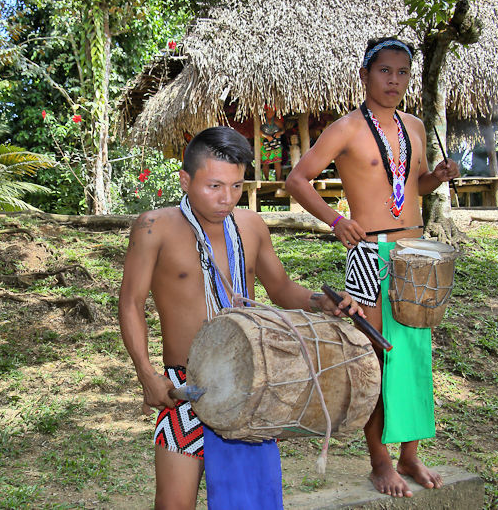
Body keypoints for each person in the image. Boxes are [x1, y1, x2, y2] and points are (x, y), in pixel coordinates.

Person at [119, 126, 363, 508]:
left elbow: (281, 289)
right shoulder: (155, 227)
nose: (226, 198)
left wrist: (320, 301)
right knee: (173, 503)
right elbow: (131, 303)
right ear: (185, 179)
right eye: (214, 186)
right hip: (186, 387)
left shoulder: (251, 225)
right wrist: (146, 374)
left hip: (251, 381)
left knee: (250, 502)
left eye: (236, 186)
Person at [285, 37, 460, 498]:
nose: (394, 80)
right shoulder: (344, 128)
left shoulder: (416, 127)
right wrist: (336, 220)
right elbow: (296, 179)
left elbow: (413, 185)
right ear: (365, 75)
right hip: (368, 251)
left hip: (416, 253)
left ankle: (410, 457)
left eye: (403, 73)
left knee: (415, 359)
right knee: (377, 358)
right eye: (385, 71)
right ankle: (379, 462)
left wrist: (435, 177)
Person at [261, 105, 284, 181]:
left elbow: (283, 130)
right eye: (270, 111)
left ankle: (278, 179)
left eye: (273, 111)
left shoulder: (277, 121)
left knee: (277, 161)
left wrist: (279, 133)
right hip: (265, 142)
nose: (271, 113)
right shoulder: (261, 120)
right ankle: (267, 179)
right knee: (265, 162)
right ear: (266, 111)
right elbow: (258, 131)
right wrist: (267, 137)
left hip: (275, 142)